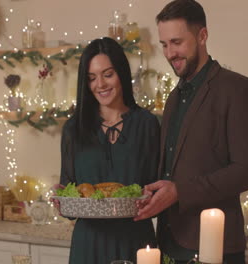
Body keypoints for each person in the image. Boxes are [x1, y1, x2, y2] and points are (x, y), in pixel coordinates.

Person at [134, 1, 248, 263]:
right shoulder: (172, 98)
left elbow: (246, 171)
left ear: (202, 35)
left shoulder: (237, 89)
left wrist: (180, 191)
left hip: (215, 248)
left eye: (177, 42)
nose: (170, 53)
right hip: (168, 243)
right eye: (164, 45)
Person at [58, 37, 160, 264]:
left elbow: (156, 187)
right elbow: (69, 198)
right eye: (92, 78)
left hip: (135, 243)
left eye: (108, 74)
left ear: (121, 73)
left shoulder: (147, 124)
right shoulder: (73, 129)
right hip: (88, 246)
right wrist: (62, 201)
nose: (100, 85)